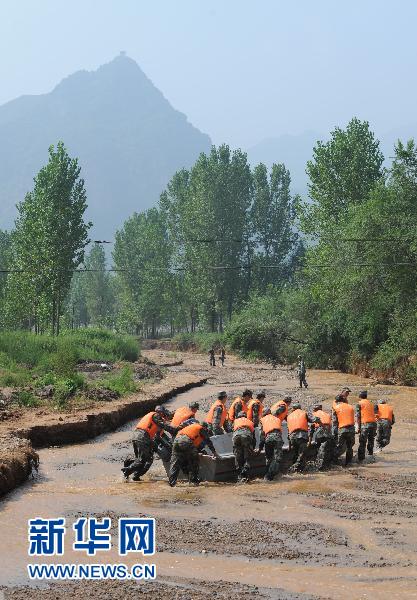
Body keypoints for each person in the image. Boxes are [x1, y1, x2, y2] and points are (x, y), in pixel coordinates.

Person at [122, 406, 176, 480]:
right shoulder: (156, 415)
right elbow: (164, 426)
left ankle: (132, 469)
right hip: (142, 437)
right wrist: (174, 430)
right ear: (160, 412)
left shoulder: (152, 418)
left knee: (142, 459)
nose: (163, 418)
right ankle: (128, 470)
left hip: (137, 436)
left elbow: (159, 437)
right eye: (163, 415)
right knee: (147, 460)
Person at [168, 421, 220, 487]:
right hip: (186, 440)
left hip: (176, 441)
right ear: (205, 427)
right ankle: (194, 481)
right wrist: (214, 453)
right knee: (194, 460)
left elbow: (193, 445)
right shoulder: (200, 428)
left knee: (175, 463)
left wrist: (197, 451)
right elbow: (208, 441)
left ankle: (172, 483)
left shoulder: (191, 427)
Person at [287, 403, 317, 472]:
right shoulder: (304, 413)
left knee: (295, 453)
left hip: (292, 437)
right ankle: (294, 469)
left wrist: (289, 445)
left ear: (293, 409)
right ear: (300, 408)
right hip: (302, 436)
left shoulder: (289, 416)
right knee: (302, 454)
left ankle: (296, 468)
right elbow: (313, 420)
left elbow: (289, 431)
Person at [258, 408, 283, 480]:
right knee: (277, 458)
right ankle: (269, 475)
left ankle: (267, 474)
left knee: (269, 457)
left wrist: (260, 448)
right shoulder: (277, 418)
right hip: (277, 437)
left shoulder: (262, 420)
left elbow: (262, 435)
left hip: (268, 438)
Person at [232, 411, 256, 481]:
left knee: (238, 455)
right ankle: (245, 473)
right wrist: (252, 449)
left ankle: (240, 475)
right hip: (247, 436)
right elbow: (254, 438)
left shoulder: (235, 421)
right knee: (247, 455)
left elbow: (232, 430)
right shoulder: (250, 422)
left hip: (236, 437)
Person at [332, 394, 355, 466]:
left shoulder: (336, 408)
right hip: (351, 429)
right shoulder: (351, 407)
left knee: (339, 446)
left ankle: (334, 462)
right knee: (349, 447)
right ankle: (348, 463)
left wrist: (334, 433)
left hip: (342, 429)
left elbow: (335, 422)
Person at [355, 391, 377, 462]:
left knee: (362, 441)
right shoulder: (371, 403)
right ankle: (370, 456)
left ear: (360, 396)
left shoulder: (359, 403)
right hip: (373, 424)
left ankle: (361, 459)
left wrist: (358, 427)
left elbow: (358, 416)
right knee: (371, 440)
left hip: (365, 424)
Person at [310, 403, 333, 469]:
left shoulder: (314, 414)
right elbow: (330, 426)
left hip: (320, 430)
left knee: (318, 447)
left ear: (315, 409)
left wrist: (309, 440)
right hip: (328, 430)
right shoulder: (327, 414)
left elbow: (312, 427)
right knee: (326, 448)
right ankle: (326, 464)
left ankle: (318, 465)